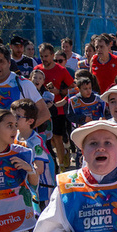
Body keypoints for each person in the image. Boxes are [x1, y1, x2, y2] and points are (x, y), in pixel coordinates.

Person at [0, 42, 52, 127]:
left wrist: (22, 133)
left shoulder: (23, 84)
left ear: (9, 63)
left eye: (1, 61)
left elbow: (45, 114)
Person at [38, 43, 76, 171]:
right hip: (42, 110)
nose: (44, 59)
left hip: (58, 109)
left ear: (52, 55)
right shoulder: (37, 70)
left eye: (47, 56)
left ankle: (61, 169)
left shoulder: (61, 70)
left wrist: (58, 91)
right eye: (42, 56)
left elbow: (73, 88)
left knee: (57, 138)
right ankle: (63, 154)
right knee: (50, 140)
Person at [12, 98, 55, 209]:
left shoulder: (35, 142)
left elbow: (39, 169)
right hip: (27, 187)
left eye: (17, 117)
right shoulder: (15, 135)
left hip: (42, 190)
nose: (13, 119)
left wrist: (26, 167)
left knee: (43, 221)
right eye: (12, 115)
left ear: (30, 121)